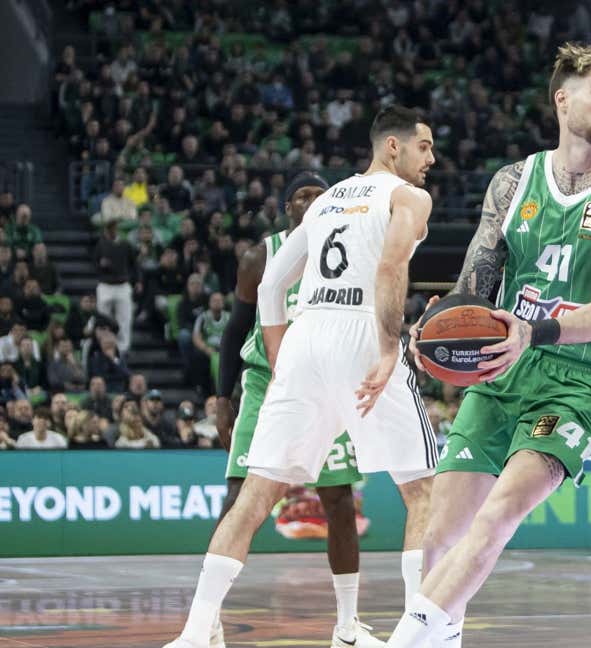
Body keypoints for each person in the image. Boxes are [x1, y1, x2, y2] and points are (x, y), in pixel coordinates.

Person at [389, 44, 591, 648]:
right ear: (561, 98)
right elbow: (476, 282)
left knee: (497, 517)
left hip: (582, 379)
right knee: (440, 535)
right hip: (504, 371)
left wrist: (533, 331)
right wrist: (436, 324)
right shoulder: (512, 183)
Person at [164, 105, 439, 648]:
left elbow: (270, 290)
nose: (431, 158)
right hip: (361, 332)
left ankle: (195, 634)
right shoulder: (408, 196)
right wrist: (388, 349)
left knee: (254, 498)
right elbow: (390, 268)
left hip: (304, 341)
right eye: (424, 146)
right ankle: (419, 635)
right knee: (424, 490)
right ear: (393, 147)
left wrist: (282, 355)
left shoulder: (328, 198)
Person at [93, 218, 138, 353]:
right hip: (105, 285)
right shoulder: (100, 244)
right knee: (103, 318)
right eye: (109, 229)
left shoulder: (125, 244)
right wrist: (100, 265)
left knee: (124, 318)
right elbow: (94, 263)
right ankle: (103, 346)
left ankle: (123, 348)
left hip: (122, 285)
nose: (111, 231)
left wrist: (138, 280)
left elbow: (134, 263)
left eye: (113, 228)